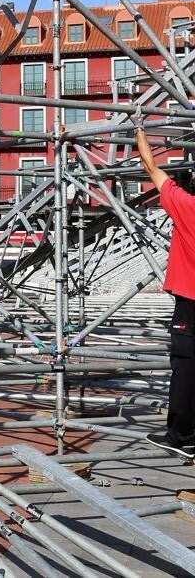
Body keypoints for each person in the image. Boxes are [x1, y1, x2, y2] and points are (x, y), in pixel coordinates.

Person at [136, 125, 195, 458]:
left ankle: (181, 436)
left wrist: (139, 128)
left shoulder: (187, 207)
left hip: (191, 300)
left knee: (186, 367)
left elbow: (150, 166)